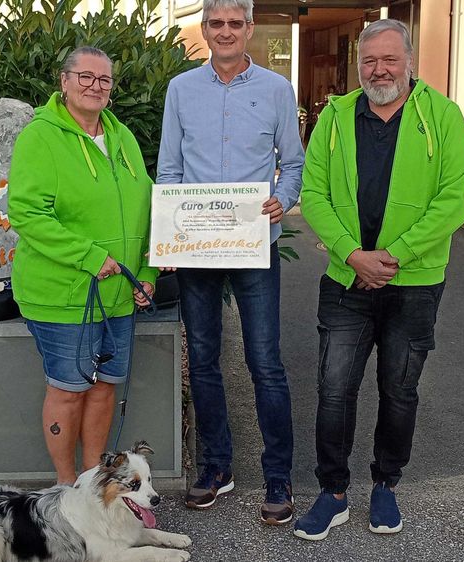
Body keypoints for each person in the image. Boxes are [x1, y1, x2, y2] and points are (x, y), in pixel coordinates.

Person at [293, 19, 464, 541]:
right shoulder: (335, 116)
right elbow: (315, 192)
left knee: (399, 389)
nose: (379, 70)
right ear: (359, 66)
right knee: (333, 390)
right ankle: (333, 493)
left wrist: (393, 255)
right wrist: (354, 256)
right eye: (369, 61)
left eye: (389, 59)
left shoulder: (443, 117)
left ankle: (385, 485)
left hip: (414, 282)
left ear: (409, 61)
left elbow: (453, 200)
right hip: (346, 280)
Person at [156, 0, 305, 525]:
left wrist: (281, 200)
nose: (224, 32)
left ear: (248, 29)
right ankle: (217, 467)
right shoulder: (181, 90)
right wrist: (168, 241)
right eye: (215, 23)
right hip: (196, 247)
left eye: (234, 24)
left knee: (265, 362)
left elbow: (294, 162)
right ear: (204, 29)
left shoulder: (275, 90)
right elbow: (169, 168)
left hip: (255, 243)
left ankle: (278, 475)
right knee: (203, 359)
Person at [7, 46, 158, 485]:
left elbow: (150, 206)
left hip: (118, 295)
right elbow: (28, 213)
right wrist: (91, 258)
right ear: (65, 81)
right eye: (86, 77)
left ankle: (95, 481)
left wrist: (146, 272)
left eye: (104, 80)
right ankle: (66, 487)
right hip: (62, 294)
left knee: (105, 386)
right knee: (69, 392)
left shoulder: (122, 137)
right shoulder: (40, 137)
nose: (96, 86)